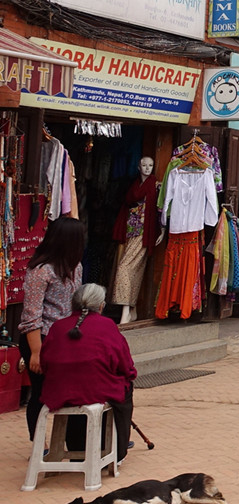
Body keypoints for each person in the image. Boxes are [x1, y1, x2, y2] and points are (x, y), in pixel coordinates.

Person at [40, 284, 137, 462]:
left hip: (59, 393)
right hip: (97, 391)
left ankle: (77, 447)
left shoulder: (57, 327)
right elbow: (126, 366)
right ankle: (117, 450)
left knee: (79, 392)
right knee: (124, 389)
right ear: (100, 306)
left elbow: (44, 363)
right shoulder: (107, 326)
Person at [19, 216, 85, 441]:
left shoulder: (76, 267)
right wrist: (36, 352)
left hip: (67, 337)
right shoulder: (41, 271)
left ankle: (74, 441)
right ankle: (39, 444)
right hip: (41, 337)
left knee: (73, 390)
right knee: (40, 393)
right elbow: (31, 315)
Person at [110, 156, 159, 322]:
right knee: (130, 270)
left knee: (125, 268)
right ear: (138, 167)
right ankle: (132, 310)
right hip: (129, 231)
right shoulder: (134, 185)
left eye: (150, 165)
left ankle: (125, 312)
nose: (147, 168)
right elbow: (128, 203)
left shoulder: (154, 185)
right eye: (144, 165)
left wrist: (162, 230)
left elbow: (159, 210)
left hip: (143, 233)